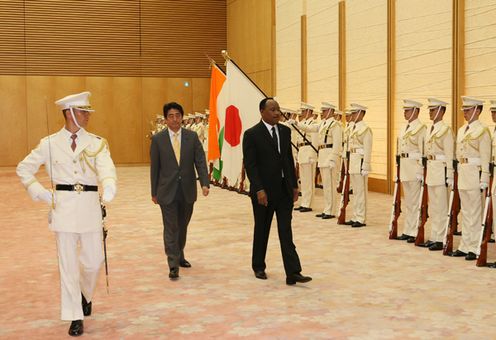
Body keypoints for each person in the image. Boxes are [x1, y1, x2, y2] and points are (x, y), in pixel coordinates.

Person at [16, 91, 117, 337]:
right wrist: (40, 193)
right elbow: (23, 169)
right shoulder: (49, 143)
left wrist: (110, 184)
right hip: (63, 210)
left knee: (94, 262)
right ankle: (74, 315)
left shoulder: (96, 142)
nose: (88, 116)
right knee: (68, 266)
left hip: (90, 209)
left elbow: (106, 167)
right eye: (83, 112)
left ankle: (85, 294)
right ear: (70, 113)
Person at [242, 97, 312, 285]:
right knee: (262, 229)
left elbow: (288, 160)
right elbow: (251, 165)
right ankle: (258, 266)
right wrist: (259, 189)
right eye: (272, 109)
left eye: (278, 109)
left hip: (283, 191)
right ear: (262, 112)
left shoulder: (285, 131)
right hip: (263, 192)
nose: (277, 113)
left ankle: (293, 272)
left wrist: (294, 185)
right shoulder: (252, 134)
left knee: (285, 231)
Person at [150, 102, 209, 280]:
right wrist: (154, 192)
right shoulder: (158, 139)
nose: (175, 119)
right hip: (166, 190)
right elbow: (155, 167)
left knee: (182, 226)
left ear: (181, 117)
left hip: (187, 190)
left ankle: (179, 253)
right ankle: (173, 264)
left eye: (177, 115)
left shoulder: (191, 137)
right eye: (171, 116)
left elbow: (200, 161)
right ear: (166, 119)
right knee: (171, 227)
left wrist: (204, 183)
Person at [449, 97, 491, 260]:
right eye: (464, 110)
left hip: (475, 174)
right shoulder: (461, 130)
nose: (465, 113)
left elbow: (486, 156)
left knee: (474, 212)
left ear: (477, 111)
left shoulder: (482, 130)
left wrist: (485, 177)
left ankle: (474, 247)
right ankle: (465, 245)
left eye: (468, 110)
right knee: (465, 211)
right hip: (464, 173)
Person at [418, 98, 454, 250]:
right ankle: (434, 236)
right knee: (433, 207)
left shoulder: (446, 130)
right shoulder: (429, 130)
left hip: (441, 171)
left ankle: (441, 238)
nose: (430, 113)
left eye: (433, 110)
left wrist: (450, 174)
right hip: (431, 170)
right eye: (430, 110)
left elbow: (449, 154)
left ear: (441, 111)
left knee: (441, 206)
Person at [395, 100, 427, 242]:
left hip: (414, 169)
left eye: (407, 110)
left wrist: (421, 169)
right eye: (405, 110)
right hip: (405, 168)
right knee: (408, 201)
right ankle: (408, 230)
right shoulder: (404, 128)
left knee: (415, 202)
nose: (405, 113)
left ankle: (414, 231)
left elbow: (423, 151)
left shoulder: (421, 129)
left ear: (416, 111)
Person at [344, 103, 372, 228]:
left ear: (361, 113)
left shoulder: (365, 129)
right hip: (353, 161)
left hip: (360, 162)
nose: (352, 115)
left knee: (361, 192)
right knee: (355, 191)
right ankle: (355, 215)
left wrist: (366, 164)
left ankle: (361, 218)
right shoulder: (352, 128)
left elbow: (368, 148)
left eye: (354, 113)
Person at [293, 102, 318, 212]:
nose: (302, 113)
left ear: (309, 112)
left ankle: (308, 203)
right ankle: (304, 202)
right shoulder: (303, 123)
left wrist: (313, 155)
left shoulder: (313, 123)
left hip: (309, 152)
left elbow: (315, 141)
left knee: (309, 180)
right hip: (302, 151)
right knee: (303, 180)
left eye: (303, 111)